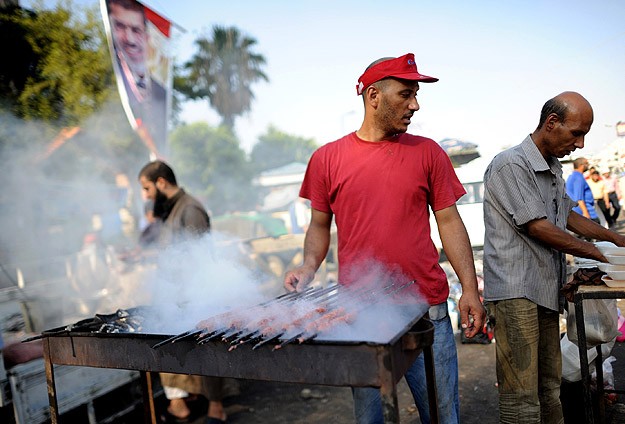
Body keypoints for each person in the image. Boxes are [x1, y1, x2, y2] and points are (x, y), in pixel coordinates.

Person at [283, 53, 485, 424]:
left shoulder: (428, 153)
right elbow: (317, 225)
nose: (415, 104)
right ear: (373, 96)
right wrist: (309, 265)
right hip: (361, 313)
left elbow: (449, 222)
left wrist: (469, 289)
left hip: (426, 308)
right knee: (369, 420)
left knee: (442, 416)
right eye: (406, 94)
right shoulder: (327, 158)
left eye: (416, 95)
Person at [482, 91, 625, 424]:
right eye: (576, 133)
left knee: (549, 387)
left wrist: (614, 238)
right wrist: (598, 253)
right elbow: (539, 227)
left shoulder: (552, 166)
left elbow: (567, 216)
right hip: (516, 292)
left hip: (544, 290)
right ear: (552, 123)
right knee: (521, 396)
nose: (580, 144)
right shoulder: (511, 164)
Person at [138, 160, 232, 423]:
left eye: (146, 189)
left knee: (207, 348)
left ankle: (216, 410)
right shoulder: (171, 210)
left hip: (195, 293)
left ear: (161, 182)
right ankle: (184, 402)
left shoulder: (189, 209)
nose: (145, 196)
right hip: (175, 294)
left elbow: (199, 257)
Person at [566, 157, 600, 225]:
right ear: (581, 166)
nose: (588, 165)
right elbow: (579, 198)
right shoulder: (578, 178)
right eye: (587, 163)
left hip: (577, 212)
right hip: (585, 212)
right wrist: (585, 213)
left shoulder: (572, 176)